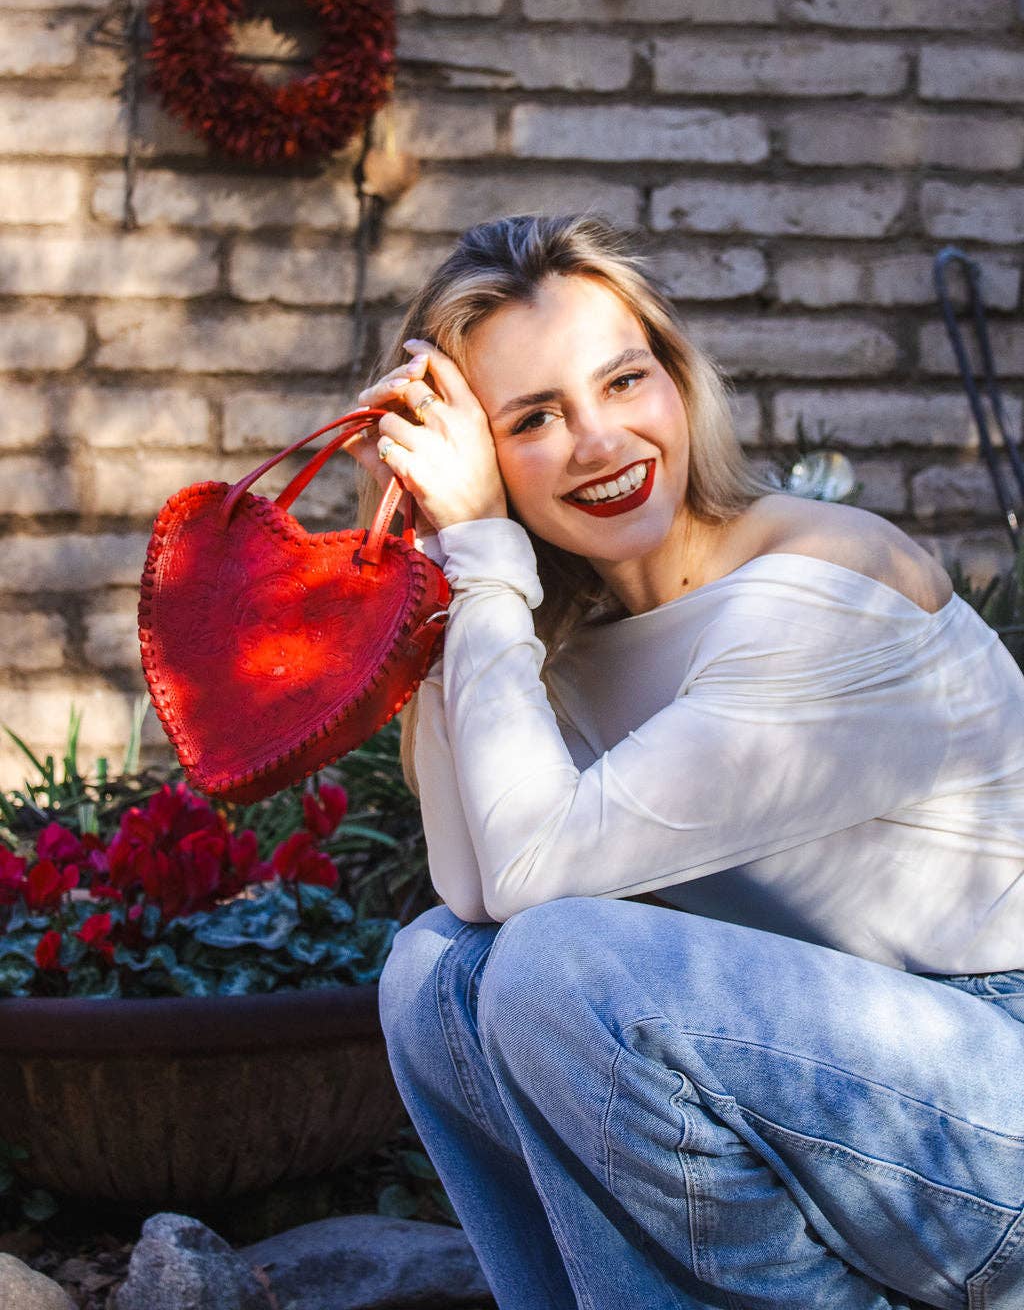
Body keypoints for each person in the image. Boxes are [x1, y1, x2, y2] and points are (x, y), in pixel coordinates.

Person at [345, 212, 1024, 1310]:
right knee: (435, 976)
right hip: (838, 1095)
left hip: (993, 1089)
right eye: (533, 420)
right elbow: (472, 893)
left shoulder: (823, 588)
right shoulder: (551, 641)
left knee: (565, 962)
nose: (601, 442)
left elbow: (532, 888)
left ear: (678, 378)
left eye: (623, 383)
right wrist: (445, 565)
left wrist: (481, 560)